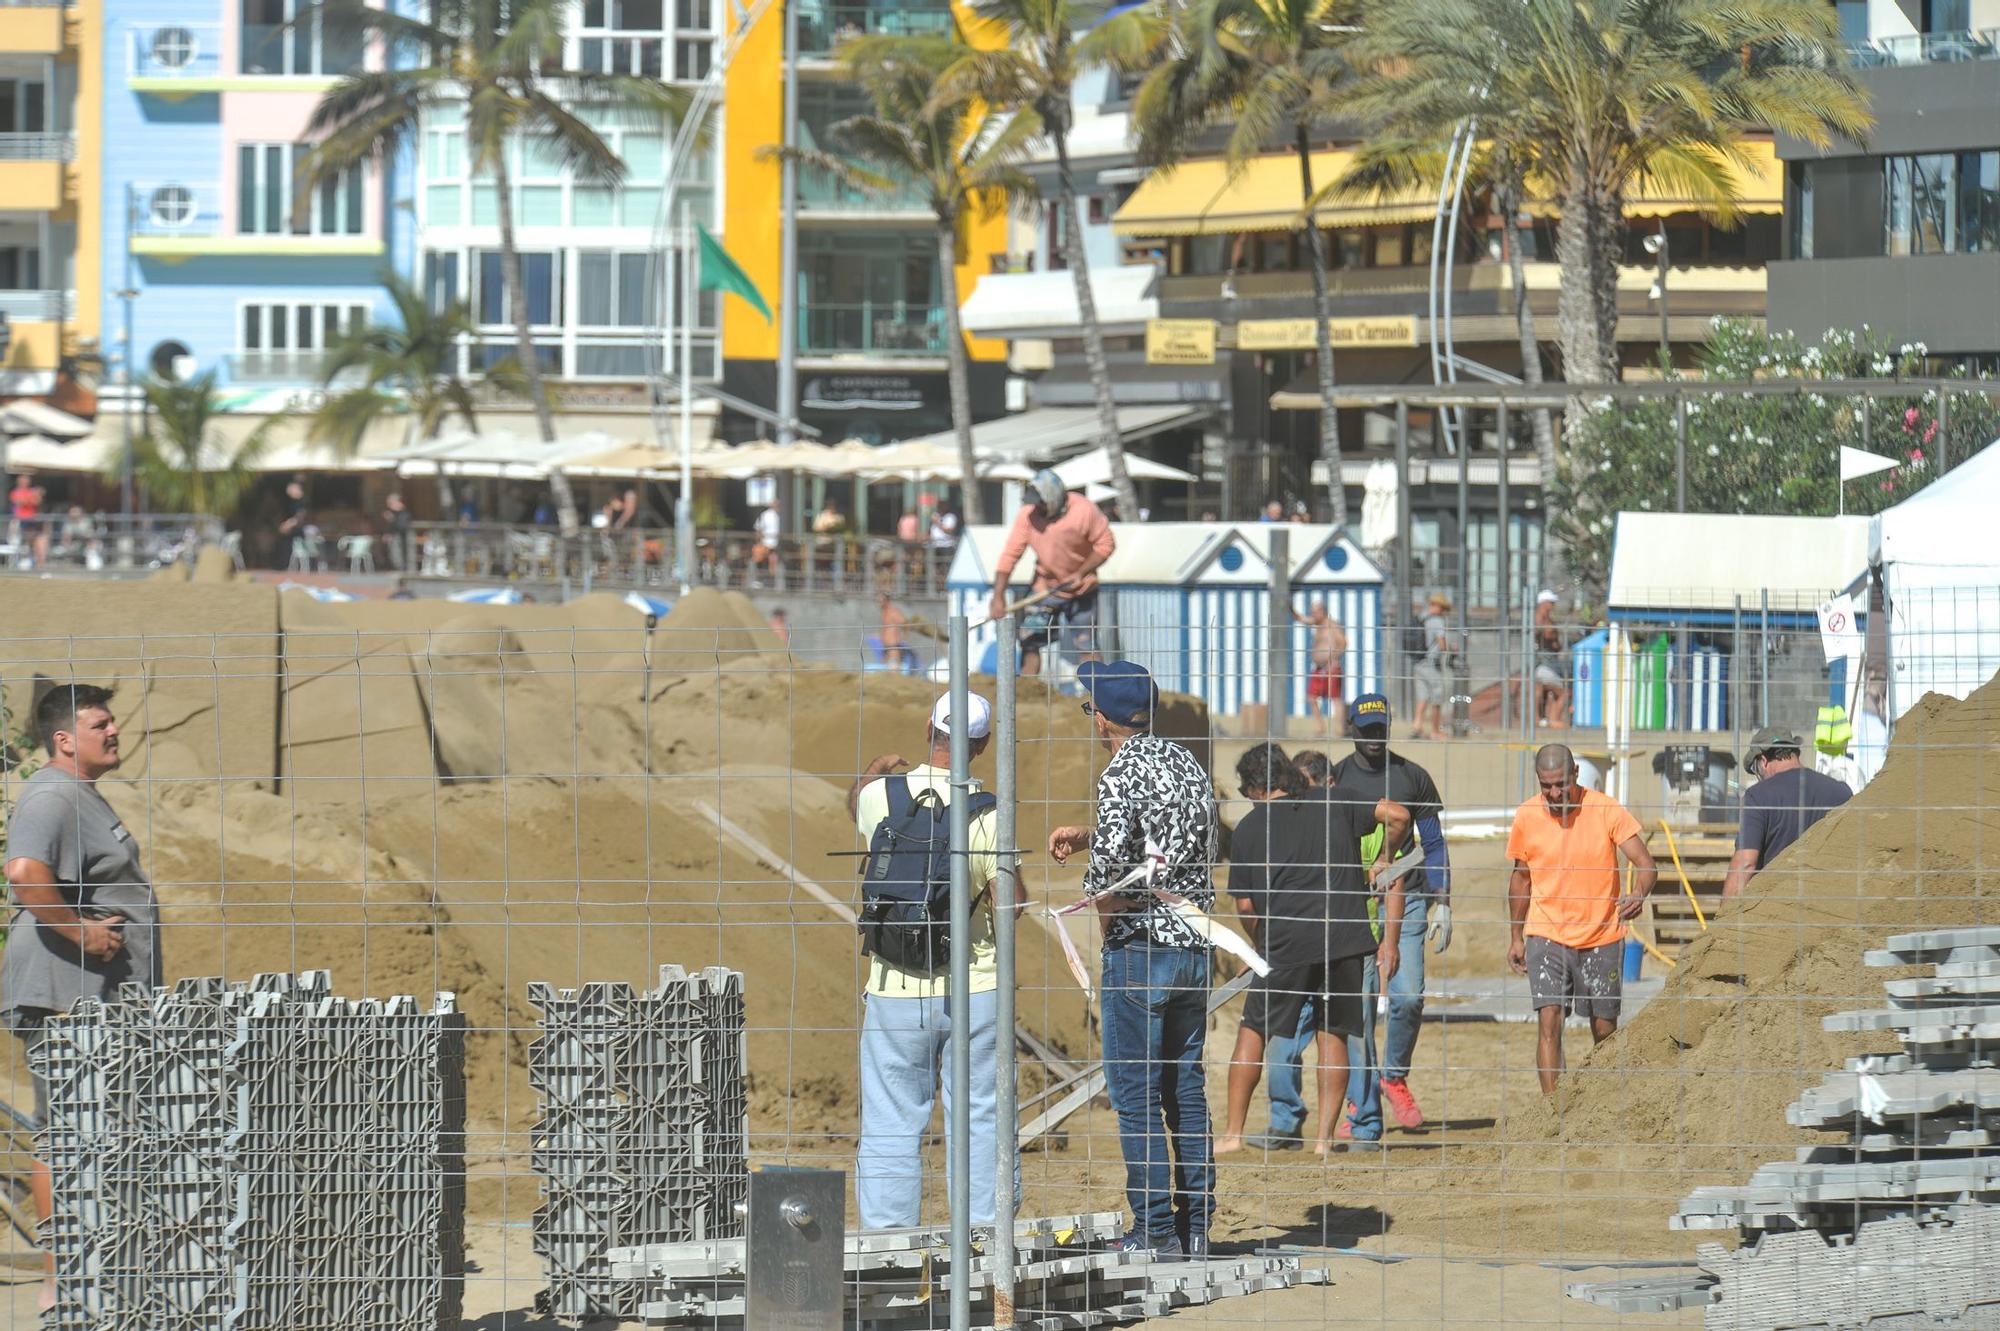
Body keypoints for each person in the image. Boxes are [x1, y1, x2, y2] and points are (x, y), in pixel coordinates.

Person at [1047, 661, 1216, 1258]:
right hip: (1192, 946)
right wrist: (1093, 833)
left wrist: (1103, 909)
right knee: (1185, 1089)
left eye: (1087, 708)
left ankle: (1153, 1229)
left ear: (1102, 718)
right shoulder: (1185, 762)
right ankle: (1196, 1224)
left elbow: (1114, 876)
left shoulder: (1120, 773)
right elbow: (1171, 843)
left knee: (1136, 1092)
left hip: (1140, 949)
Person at [4, 685, 162, 1311]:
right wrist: (81, 930)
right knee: (64, 1136)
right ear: (65, 739)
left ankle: (93, 1271)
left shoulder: (79, 795)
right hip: (64, 996)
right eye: (102, 722)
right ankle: (60, 1283)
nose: (116, 729)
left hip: (92, 996)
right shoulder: (51, 794)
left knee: (93, 1131)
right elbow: (24, 872)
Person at [848, 693, 1022, 1229]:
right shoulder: (990, 812)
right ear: (984, 744)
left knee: (890, 1121)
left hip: (894, 988)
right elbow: (1011, 905)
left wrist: (871, 772)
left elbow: (856, 802)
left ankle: (888, 1246)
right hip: (977, 988)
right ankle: (985, 1240)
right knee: (982, 1118)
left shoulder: (881, 796)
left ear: (930, 729)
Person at [1216, 744, 1409, 1157]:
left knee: (1254, 1030)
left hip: (1286, 942)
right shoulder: (1334, 800)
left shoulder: (1251, 827)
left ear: (1254, 787)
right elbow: (1399, 815)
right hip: (1344, 938)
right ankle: (1323, 1139)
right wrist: (1385, 859)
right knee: (1332, 1035)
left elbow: (1246, 905)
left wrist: (1259, 946)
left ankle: (1233, 1132)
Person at [1328, 693, 1451, 1144]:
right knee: (1356, 1008)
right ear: (1353, 730)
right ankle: (1361, 1100)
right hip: (1354, 905)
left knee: (1409, 996)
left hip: (1411, 896)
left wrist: (1444, 899)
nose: (1374, 739)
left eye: (1381, 730)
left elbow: (1434, 842)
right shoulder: (1336, 777)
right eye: (1366, 731)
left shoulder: (1411, 776)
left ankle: (1393, 1076)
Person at [1506, 743, 1658, 1094]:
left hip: (1602, 935)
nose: (1555, 792)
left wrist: (1638, 894)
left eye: (1561, 783)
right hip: (1545, 933)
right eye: (1546, 786)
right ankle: (1552, 1112)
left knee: (1605, 1028)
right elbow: (1520, 878)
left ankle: (1600, 1101)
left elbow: (1646, 864)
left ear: (1575, 774)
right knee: (1549, 1021)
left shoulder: (1606, 810)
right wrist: (1516, 935)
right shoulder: (1527, 816)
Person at [989, 470, 1116, 677]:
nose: (1036, 507)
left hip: (1082, 590)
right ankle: (1028, 695)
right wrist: (998, 597)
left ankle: (1098, 699)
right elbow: (1010, 555)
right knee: (1030, 642)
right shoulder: (1028, 515)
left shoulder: (1084, 511)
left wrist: (1082, 572)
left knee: (1087, 645)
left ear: (1053, 498)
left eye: (1041, 503)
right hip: (1044, 589)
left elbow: (1106, 544)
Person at [1721, 726, 1852, 898]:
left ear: (1763, 761)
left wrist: (1724, 920)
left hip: (1776, 909)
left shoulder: (1758, 796)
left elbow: (1745, 864)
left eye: (1755, 770)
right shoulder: (1841, 792)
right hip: (1831, 903)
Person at [1296, 605, 1348, 731]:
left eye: (1315, 612)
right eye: (1312, 612)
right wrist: (1289, 606)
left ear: (1323, 611)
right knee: (1312, 697)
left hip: (1331, 667)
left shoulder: (1332, 625)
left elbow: (1343, 643)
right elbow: (1302, 619)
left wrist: (1332, 659)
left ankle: (1339, 729)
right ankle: (1320, 727)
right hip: (1319, 668)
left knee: (1335, 698)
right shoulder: (1317, 624)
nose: (1313, 614)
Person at [1412, 593, 1453, 741]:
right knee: (1437, 695)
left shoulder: (1421, 617)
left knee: (1422, 696)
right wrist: (1450, 649)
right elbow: (1442, 644)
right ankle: (1435, 730)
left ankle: (1417, 726)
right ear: (1439, 607)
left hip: (1418, 662)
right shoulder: (1437, 621)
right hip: (1431, 664)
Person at [1533, 591, 1569, 727]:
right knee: (1552, 690)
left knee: (1544, 689)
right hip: (1544, 661)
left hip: (1547, 660)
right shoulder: (1541, 618)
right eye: (1551, 603)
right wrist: (1554, 637)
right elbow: (1546, 634)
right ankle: (1548, 719)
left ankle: (1543, 719)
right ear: (1544, 603)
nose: (1553, 605)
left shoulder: (1545, 618)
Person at [877, 590, 913, 671]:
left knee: (894, 672)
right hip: (886, 647)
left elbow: (904, 622)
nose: (878, 603)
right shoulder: (884, 612)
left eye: (880, 601)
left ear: (886, 600)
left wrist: (904, 636)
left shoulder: (893, 611)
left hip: (894, 648)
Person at [750, 499, 782, 585]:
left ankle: (772, 582)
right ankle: (758, 581)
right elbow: (758, 529)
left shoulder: (779, 515)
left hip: (775, 544)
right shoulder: (766, 515)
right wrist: (759, 542)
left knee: (773, 563)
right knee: (760, 561)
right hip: (765, 543)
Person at [382, 492, 412, 571]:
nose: (389, 506)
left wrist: (392, 519)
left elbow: (402, 526)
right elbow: (390, 527)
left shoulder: (404, 512)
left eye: (390, 503)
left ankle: (403, 571)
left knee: (399, 556)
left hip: (402, 537)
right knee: (394, 556)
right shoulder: (392, 512)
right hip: (395, 537)